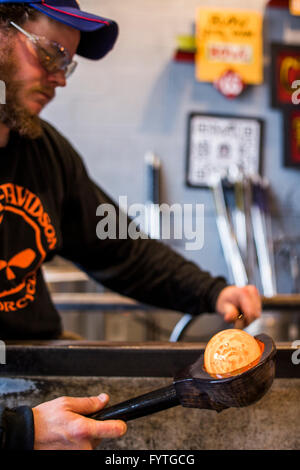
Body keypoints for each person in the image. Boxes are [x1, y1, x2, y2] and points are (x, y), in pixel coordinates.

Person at [0, 0, 261, 450]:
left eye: (69, 64)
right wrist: (19, 432)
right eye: (50, 54)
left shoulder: (43, 150)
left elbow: (121, 247)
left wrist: (209, 290)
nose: (60, 77)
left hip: (37, 367)